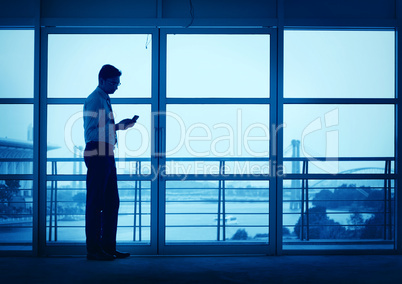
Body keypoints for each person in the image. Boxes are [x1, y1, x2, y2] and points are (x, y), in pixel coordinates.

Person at [83, 64, 136, 261]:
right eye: (113, 83)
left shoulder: (104, 99)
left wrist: (117, 127)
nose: (116, 86)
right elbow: (91, 132)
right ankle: (94, 250)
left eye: (118, 83)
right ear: (102, 80)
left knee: (112, 202)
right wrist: (118, 127)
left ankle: (107, 247)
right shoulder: (95, 100)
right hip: (97, 151)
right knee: (96, 203)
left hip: (106, 152)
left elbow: (104, 128)